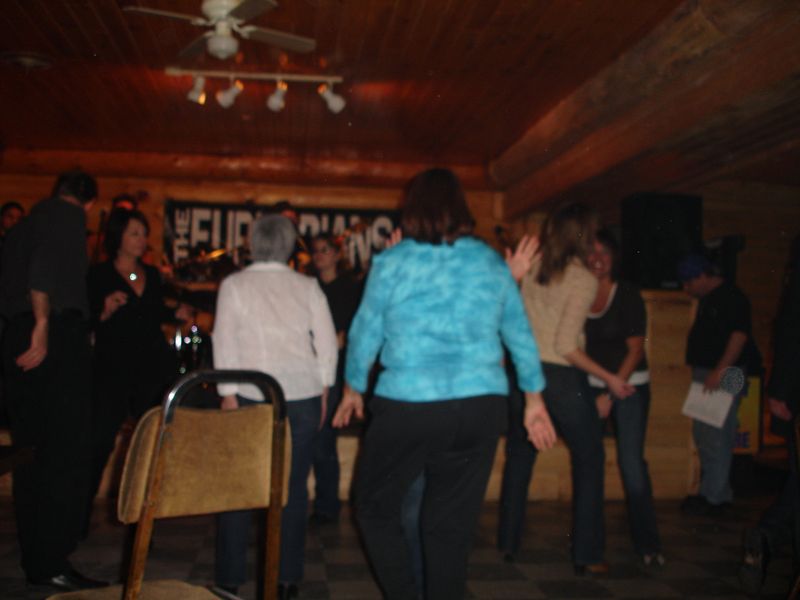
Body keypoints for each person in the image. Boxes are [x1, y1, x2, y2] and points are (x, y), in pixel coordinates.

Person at [333, 168, 556, 600]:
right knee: (449, 529)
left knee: (375, 510)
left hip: (410, 405)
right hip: (479, 407)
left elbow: (365, 332)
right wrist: (534, 400)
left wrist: (352, 389)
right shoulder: (490, 262)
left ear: (411, 209)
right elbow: (519, 333)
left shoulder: (393, 262)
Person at [504, 203, 635, 575]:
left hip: (522, 373)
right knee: (590, 457)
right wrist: (609, 378)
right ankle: (587, 554)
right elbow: (565, 345)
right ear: (584, 235)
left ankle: (508, 543)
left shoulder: (534, 266)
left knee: (519, 456)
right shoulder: (582, 278)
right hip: (560, 377)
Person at [212, 214, 338, 600]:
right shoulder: (307, 285)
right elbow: (327, 344)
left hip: (250, 395)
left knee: (239, 488)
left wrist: (228, 392)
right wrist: (324, 389)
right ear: (289, 245)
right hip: (301, 394)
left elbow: (224, 340)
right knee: (293, 489)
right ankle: (286, 581)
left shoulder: (234, 285)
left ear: (253, 244)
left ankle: (230, 581)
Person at [0, 170, 108, 593]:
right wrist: (43, 323)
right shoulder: (66, 217)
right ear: (89, 203)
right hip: (52, 338)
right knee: (66, 452)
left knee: (32, 455)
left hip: (18, 334)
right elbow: (42, 269)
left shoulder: (25, 224)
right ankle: (52, 560)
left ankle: (40, 560)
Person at [85, 209, 190, 526]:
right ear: (118, 237)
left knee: (150, 440)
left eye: (143, 234)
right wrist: (104, 310)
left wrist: (176, 314)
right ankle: (80, 514)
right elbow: (87, 320)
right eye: (134, 233)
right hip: (113, 367)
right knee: (100, 440)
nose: (141, 240)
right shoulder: (99, 274)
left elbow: (153, 312)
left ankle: (145, 522)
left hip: (150, 367)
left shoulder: (152, 274)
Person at [584, 228, 664, 566]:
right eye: (591, 252)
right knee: (589, 462)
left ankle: (649, 545)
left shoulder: (627, 294)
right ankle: (590, 547)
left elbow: (635, 350)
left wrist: (610, 393)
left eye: (604, 252)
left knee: (631, 464)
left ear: (614, 258)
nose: (597, 259)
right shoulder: (578, 292)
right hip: (589, 387)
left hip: (628, 386)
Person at [739, 239, 800, 595]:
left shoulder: (731, 298)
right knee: (720, 432)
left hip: (737, 375)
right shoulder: (726, 298)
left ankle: (766, 534)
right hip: (732, 377)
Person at [678, 253, 759, 516]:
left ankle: (716, 497)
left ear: (703, 276)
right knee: (705, 433)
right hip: (712, 371)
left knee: (719, 434)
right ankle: (711, 492)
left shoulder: (733, 297)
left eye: (689, 282)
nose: (686, 289)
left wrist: (720, 370)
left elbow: (739, 337)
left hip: (730, 371)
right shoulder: (710, 298)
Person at [308, 233, 362, 525]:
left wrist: (344, 339)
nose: (319, 255)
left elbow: (358, 327)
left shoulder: (349, 288)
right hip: (309, 366)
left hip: (336, 370)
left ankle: (327, 506)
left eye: (325, 250)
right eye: (316, 251)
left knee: (324, 438)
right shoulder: (308, 286)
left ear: (337, 255)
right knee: (313, 436)